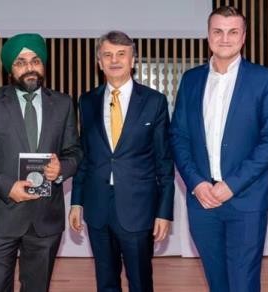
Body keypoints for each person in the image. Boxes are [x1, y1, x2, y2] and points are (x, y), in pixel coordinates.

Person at [169, 6, 268, 292]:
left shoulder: (264, 79)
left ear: (243, 37)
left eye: (233, 32)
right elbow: (178, 137)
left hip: (246, 200)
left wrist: (231, 185)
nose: (224, 38)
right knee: (216, 282)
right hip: (202, 202)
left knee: (243, 283)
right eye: (217, 31)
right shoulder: (191, 80)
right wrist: (196, 184)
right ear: (208, 36)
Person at [0, 33, 81, 292]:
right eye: (21, 61)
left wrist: (62, 168)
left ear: (43, 65)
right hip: (0, 212)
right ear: (10, 68)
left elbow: (75, 150)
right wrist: (7, 187)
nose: (30, 67)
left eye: (35, 60)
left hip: (45, 218)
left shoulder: (62, 103)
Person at [69, 30, 174, 292]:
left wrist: (164, 211)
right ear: (99, 62)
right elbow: (85, 155)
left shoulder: (154, 102)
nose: (114, 60)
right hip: (97, 207)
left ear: (133, 60)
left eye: (121, 54)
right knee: (105, 283)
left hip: (138, 210)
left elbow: (164, 161)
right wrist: (76, 201)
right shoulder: (87, 101)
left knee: (140, 282)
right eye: (107, 54)